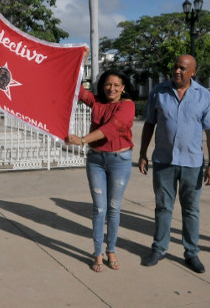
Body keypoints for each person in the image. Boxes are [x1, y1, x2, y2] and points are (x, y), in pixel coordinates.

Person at [138, 54, 210, 273]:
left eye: (183, 68)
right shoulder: (159, 92)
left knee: (191, 210)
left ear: (193, 71)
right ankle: (159, 248)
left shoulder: (203, 96)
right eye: (175, 67)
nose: (177, 71)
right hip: (164, 161)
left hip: (192, 164)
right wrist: (143, 154)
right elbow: (149, 125)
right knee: (163, 207)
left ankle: (191, 253)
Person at [67, 70, 136, 272]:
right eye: (107, 84)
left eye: (116, 85)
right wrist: (80, 63)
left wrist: (81, 140)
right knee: (99, 209)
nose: (111, 88)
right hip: (96, 160)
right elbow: (75, 89)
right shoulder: (96, 102)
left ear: (123, 87)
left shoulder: (127, 105)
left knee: (114, 208)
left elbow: (110, 129)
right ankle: (98, 252)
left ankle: (111, 249)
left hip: (119, 161)